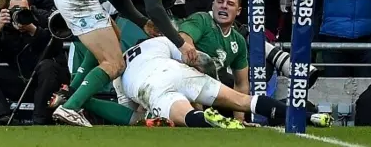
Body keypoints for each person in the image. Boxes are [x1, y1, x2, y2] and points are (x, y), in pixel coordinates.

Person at [52, 0, 197, 127]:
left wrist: (141, 22)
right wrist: (181, 43)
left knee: (115, 34)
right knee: (115, 64)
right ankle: (70, 108)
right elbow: (155, 8)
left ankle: (70, 91)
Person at [115, 36, 333, 128]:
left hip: (150, 88)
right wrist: (212, 82)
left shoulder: (118, 66)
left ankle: (209, 119)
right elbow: (201, 59)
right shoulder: (159, 41)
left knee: (189, 117)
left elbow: (130, 112)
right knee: (244, 100)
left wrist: (146, 117)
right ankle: (309, 116)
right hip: (176, 71)